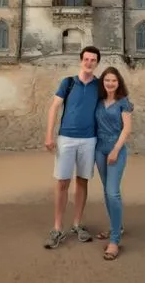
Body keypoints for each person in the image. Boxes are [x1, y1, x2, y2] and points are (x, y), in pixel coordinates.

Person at [43, 45, 101, 249]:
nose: (89, 62)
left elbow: (111, 102)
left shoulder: (99, 85)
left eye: (93, 60)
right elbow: (54, 107)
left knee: (83, 182)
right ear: (81, 60)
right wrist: (49, 135)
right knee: (62, 183)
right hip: (66, 138)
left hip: (89, 139)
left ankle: (77, 224)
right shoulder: (68, 83)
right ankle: (58, 228)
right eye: (86, 59)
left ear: (97, 63)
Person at [94, 66, 133, 261]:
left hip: (115, 150)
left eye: (114, 81)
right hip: (99, 150)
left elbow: (127, 129)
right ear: (103, 82)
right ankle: (115, 227)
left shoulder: (123, 103)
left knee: (112, 192)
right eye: (107, 80)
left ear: (119, 83)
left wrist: (116, 150)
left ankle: (115, 240)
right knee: (106, 191)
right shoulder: (99, 101)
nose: (110, 83)